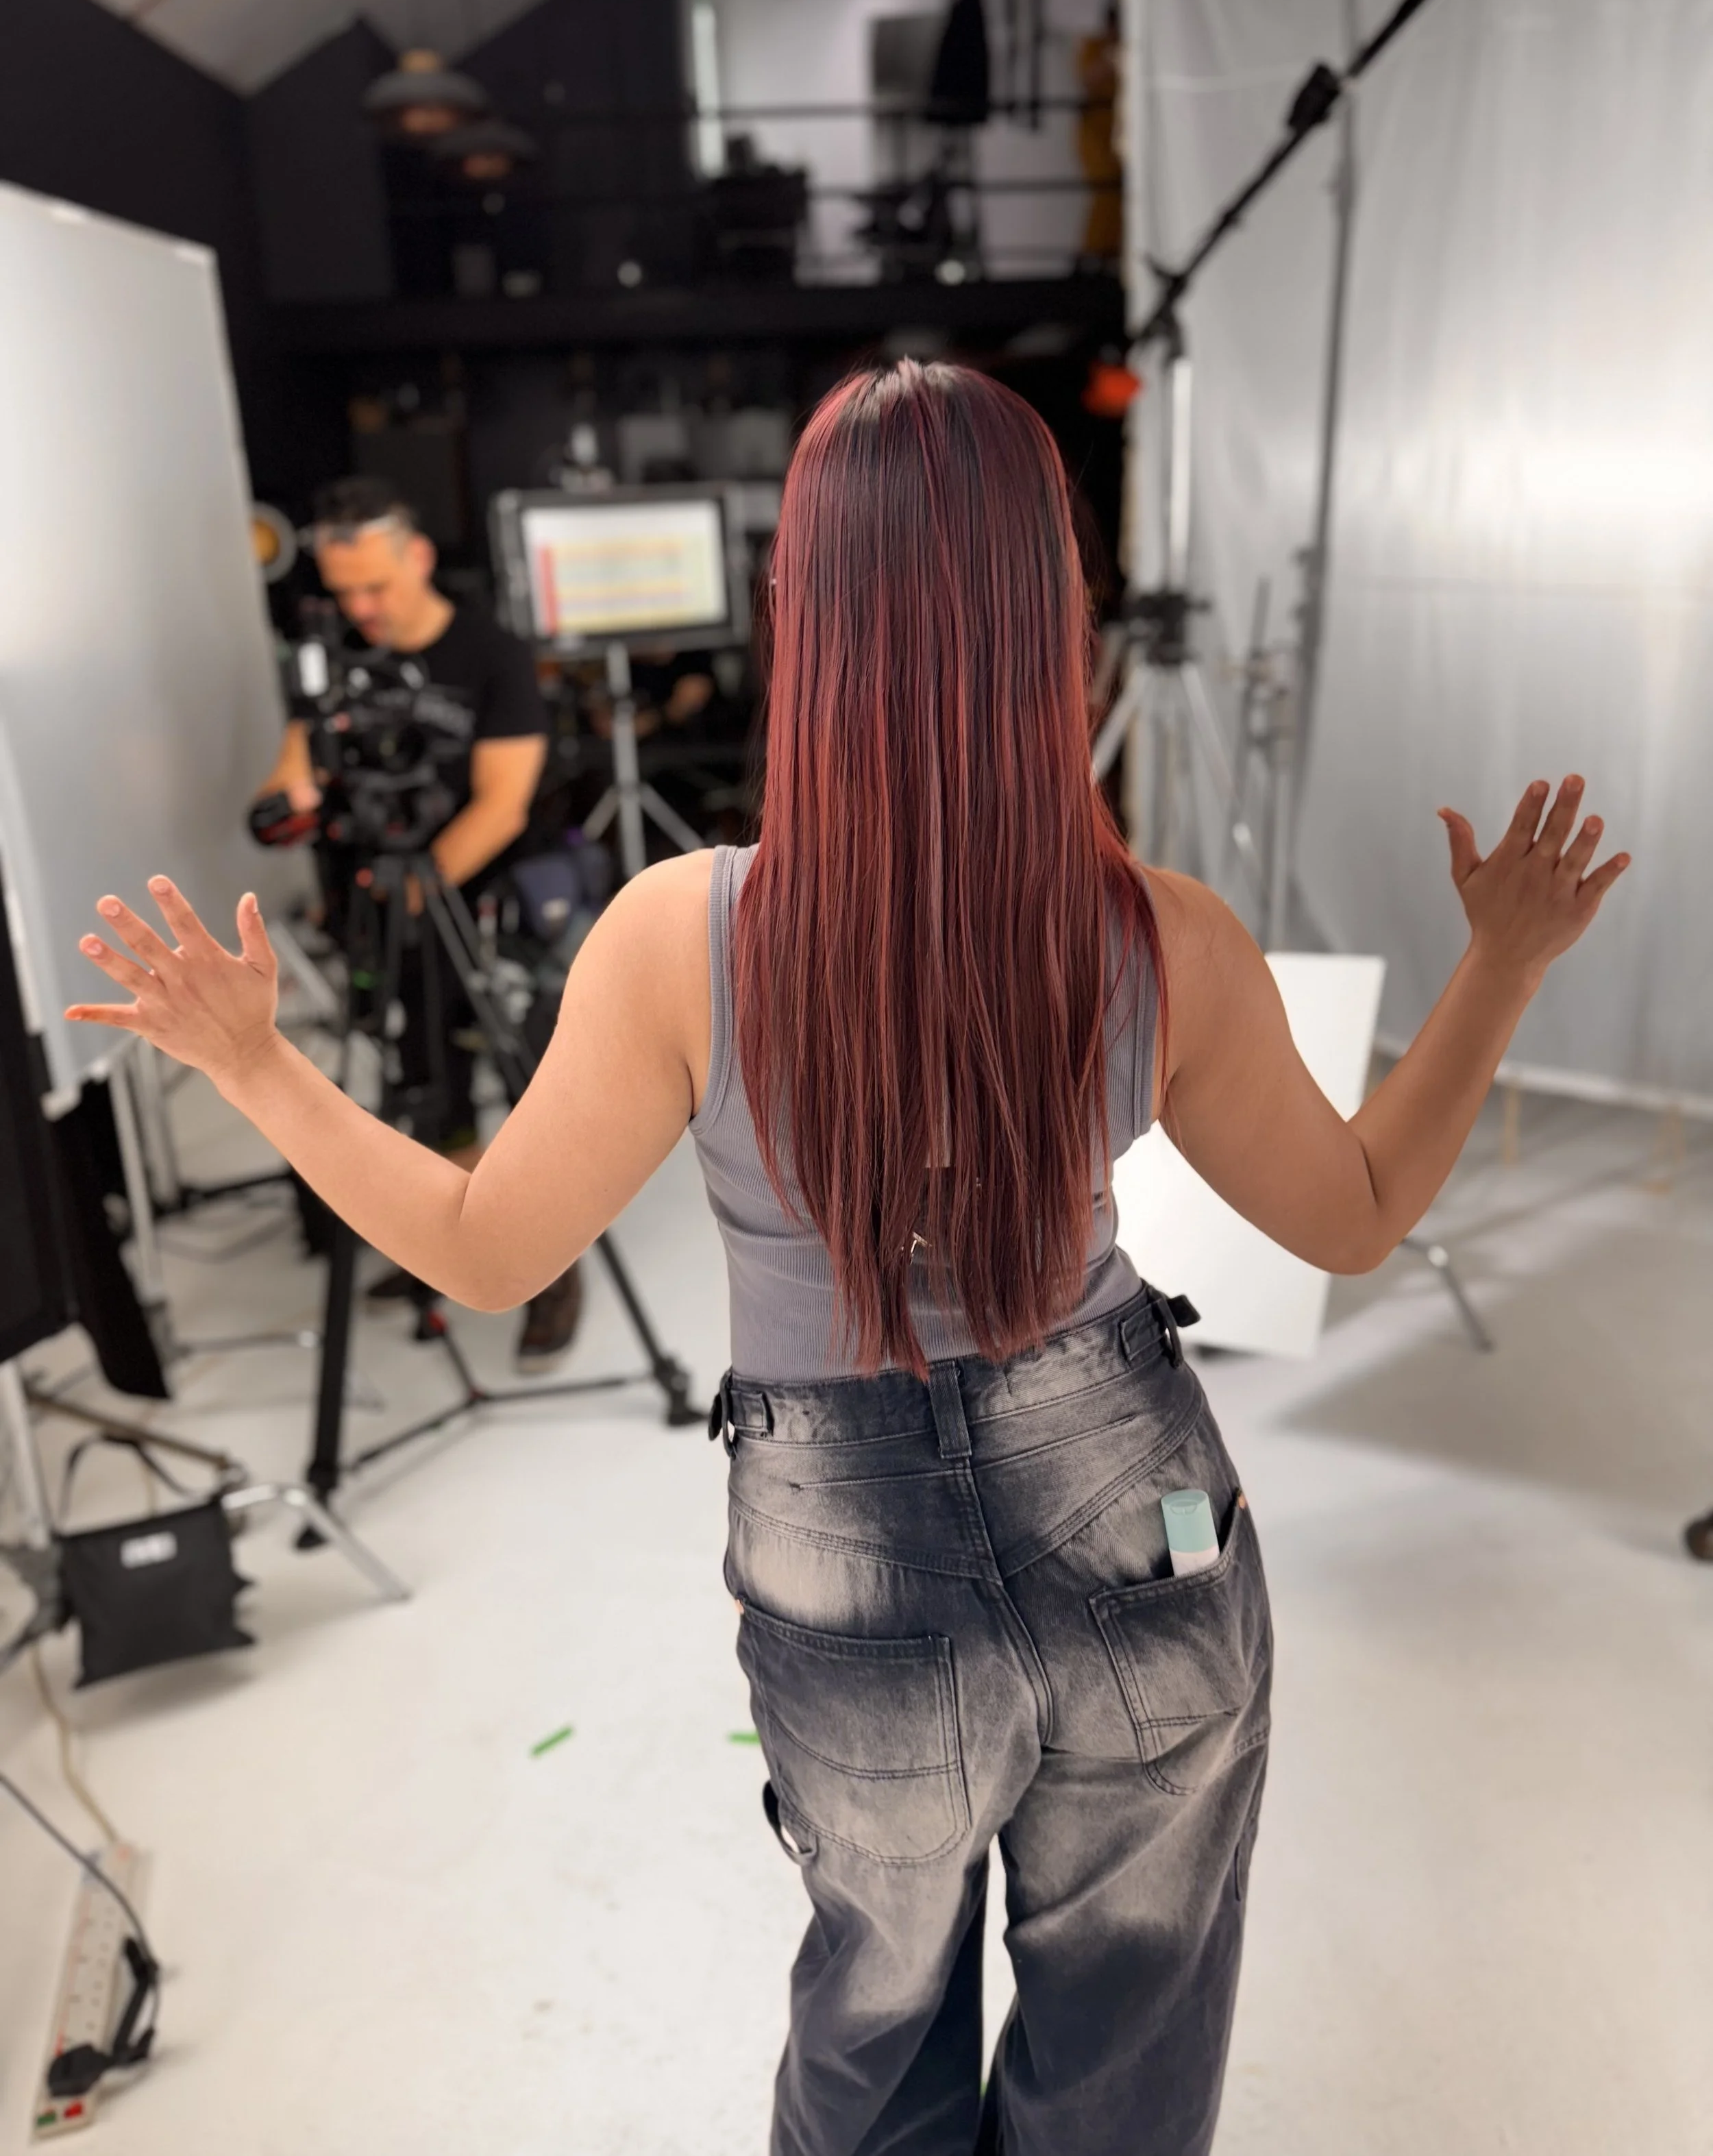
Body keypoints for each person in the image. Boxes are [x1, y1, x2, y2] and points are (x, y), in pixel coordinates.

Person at [71, 363, 1629, 2156]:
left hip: (837, 1554)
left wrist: (257, 1062)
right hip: (1147, 1522)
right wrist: (1499, 962)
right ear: (1048, 611)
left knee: (870, 2025)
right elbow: (1352, 1215)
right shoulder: (1161, 936)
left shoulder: (681, 936)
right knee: (1128, 2032)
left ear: (798, 608)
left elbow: (485, 1253)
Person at [254, 475, 583, 1372]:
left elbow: (502, 805)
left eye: (377, 587)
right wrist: (287, 801)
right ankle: (450, 1241)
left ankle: (548, 1270)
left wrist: (416, 888)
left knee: (532, 1097)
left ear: (419, 558)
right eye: (344, 590)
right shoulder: (332, 665)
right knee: (423, 1075)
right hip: (388, 910)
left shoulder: (492, 654)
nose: (361, 608)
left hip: (483, 902)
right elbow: (300, 768)